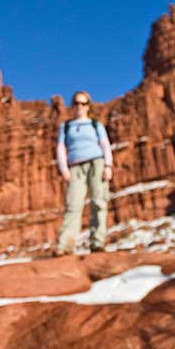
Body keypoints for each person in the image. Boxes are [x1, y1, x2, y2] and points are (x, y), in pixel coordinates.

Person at [55, 90, 113, 254]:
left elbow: (105, 145)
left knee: (98, 202)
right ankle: (65, 245)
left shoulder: (96, 125)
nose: (79, 106)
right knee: (73, 205)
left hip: (97, 163)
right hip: (75, 167)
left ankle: (97, 242)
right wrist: (64, 169)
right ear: (72, 106)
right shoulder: (66, 127)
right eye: (76, 103)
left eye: (83, 103)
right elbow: (60, 149)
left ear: (88, 106)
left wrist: (108, 166)